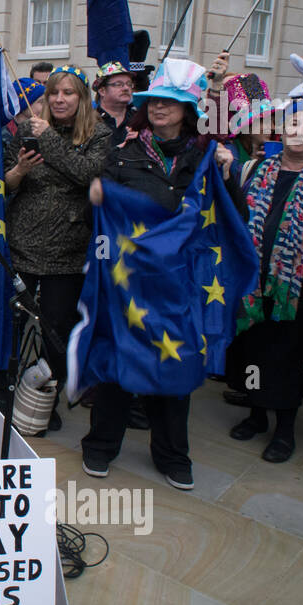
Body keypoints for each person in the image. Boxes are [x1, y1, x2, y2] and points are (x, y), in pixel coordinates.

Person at [81, 59, 244, 490]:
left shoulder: (209, 156)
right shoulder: (123, 151)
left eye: (171, 102)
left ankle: (173, 455)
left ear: (188, 109)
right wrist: (99, 195)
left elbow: (231, 218)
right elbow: (100, 207)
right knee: (120, 362)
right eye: (155, 100)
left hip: (182, 282)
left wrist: (228, 176)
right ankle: (100, 446)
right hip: (129, 279)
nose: (159, 108)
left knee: (177, 367)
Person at [225, 100, 303, 463]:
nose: (299, 131)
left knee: (286, 356)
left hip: (300, 284)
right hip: (252, 279)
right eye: (293, 123)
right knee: (252, 348)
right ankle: (255, 413)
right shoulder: (254, 168)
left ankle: (284, 429)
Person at [0, 66, 112, 430]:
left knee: (56, 328)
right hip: (23, 242)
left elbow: (87, 174)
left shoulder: (99, 135)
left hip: (68, 249)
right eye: (53, 93)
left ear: (82, 98)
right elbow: (3, 184)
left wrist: (48, 139)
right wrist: (17, 171)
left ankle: (44, 398)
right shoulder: (24, 130)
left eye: (68, 93)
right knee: (14, 324)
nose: (59, 99)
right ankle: (6, 387)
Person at [92, 61, 134, 141]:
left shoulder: (138, 119)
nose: (126, 88)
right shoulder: (89, 121)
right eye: (118, 84)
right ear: (102, 91)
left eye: (129, 84)